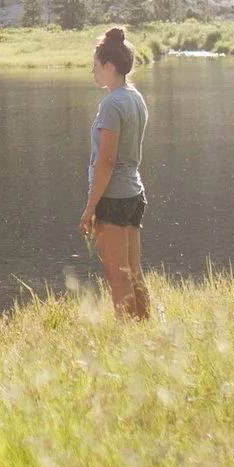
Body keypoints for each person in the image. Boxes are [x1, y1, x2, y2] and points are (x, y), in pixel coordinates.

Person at [79, 25, 152, 320]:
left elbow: (106, 161)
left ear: (109, 66)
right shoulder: (135, 97)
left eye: (95, 66)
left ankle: (128, 342)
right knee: (134, 273)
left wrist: (90, 208)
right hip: (134, 194)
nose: (93, 72)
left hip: (113, 197)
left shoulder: (111, 104)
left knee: (117, 277)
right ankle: (146, 330)